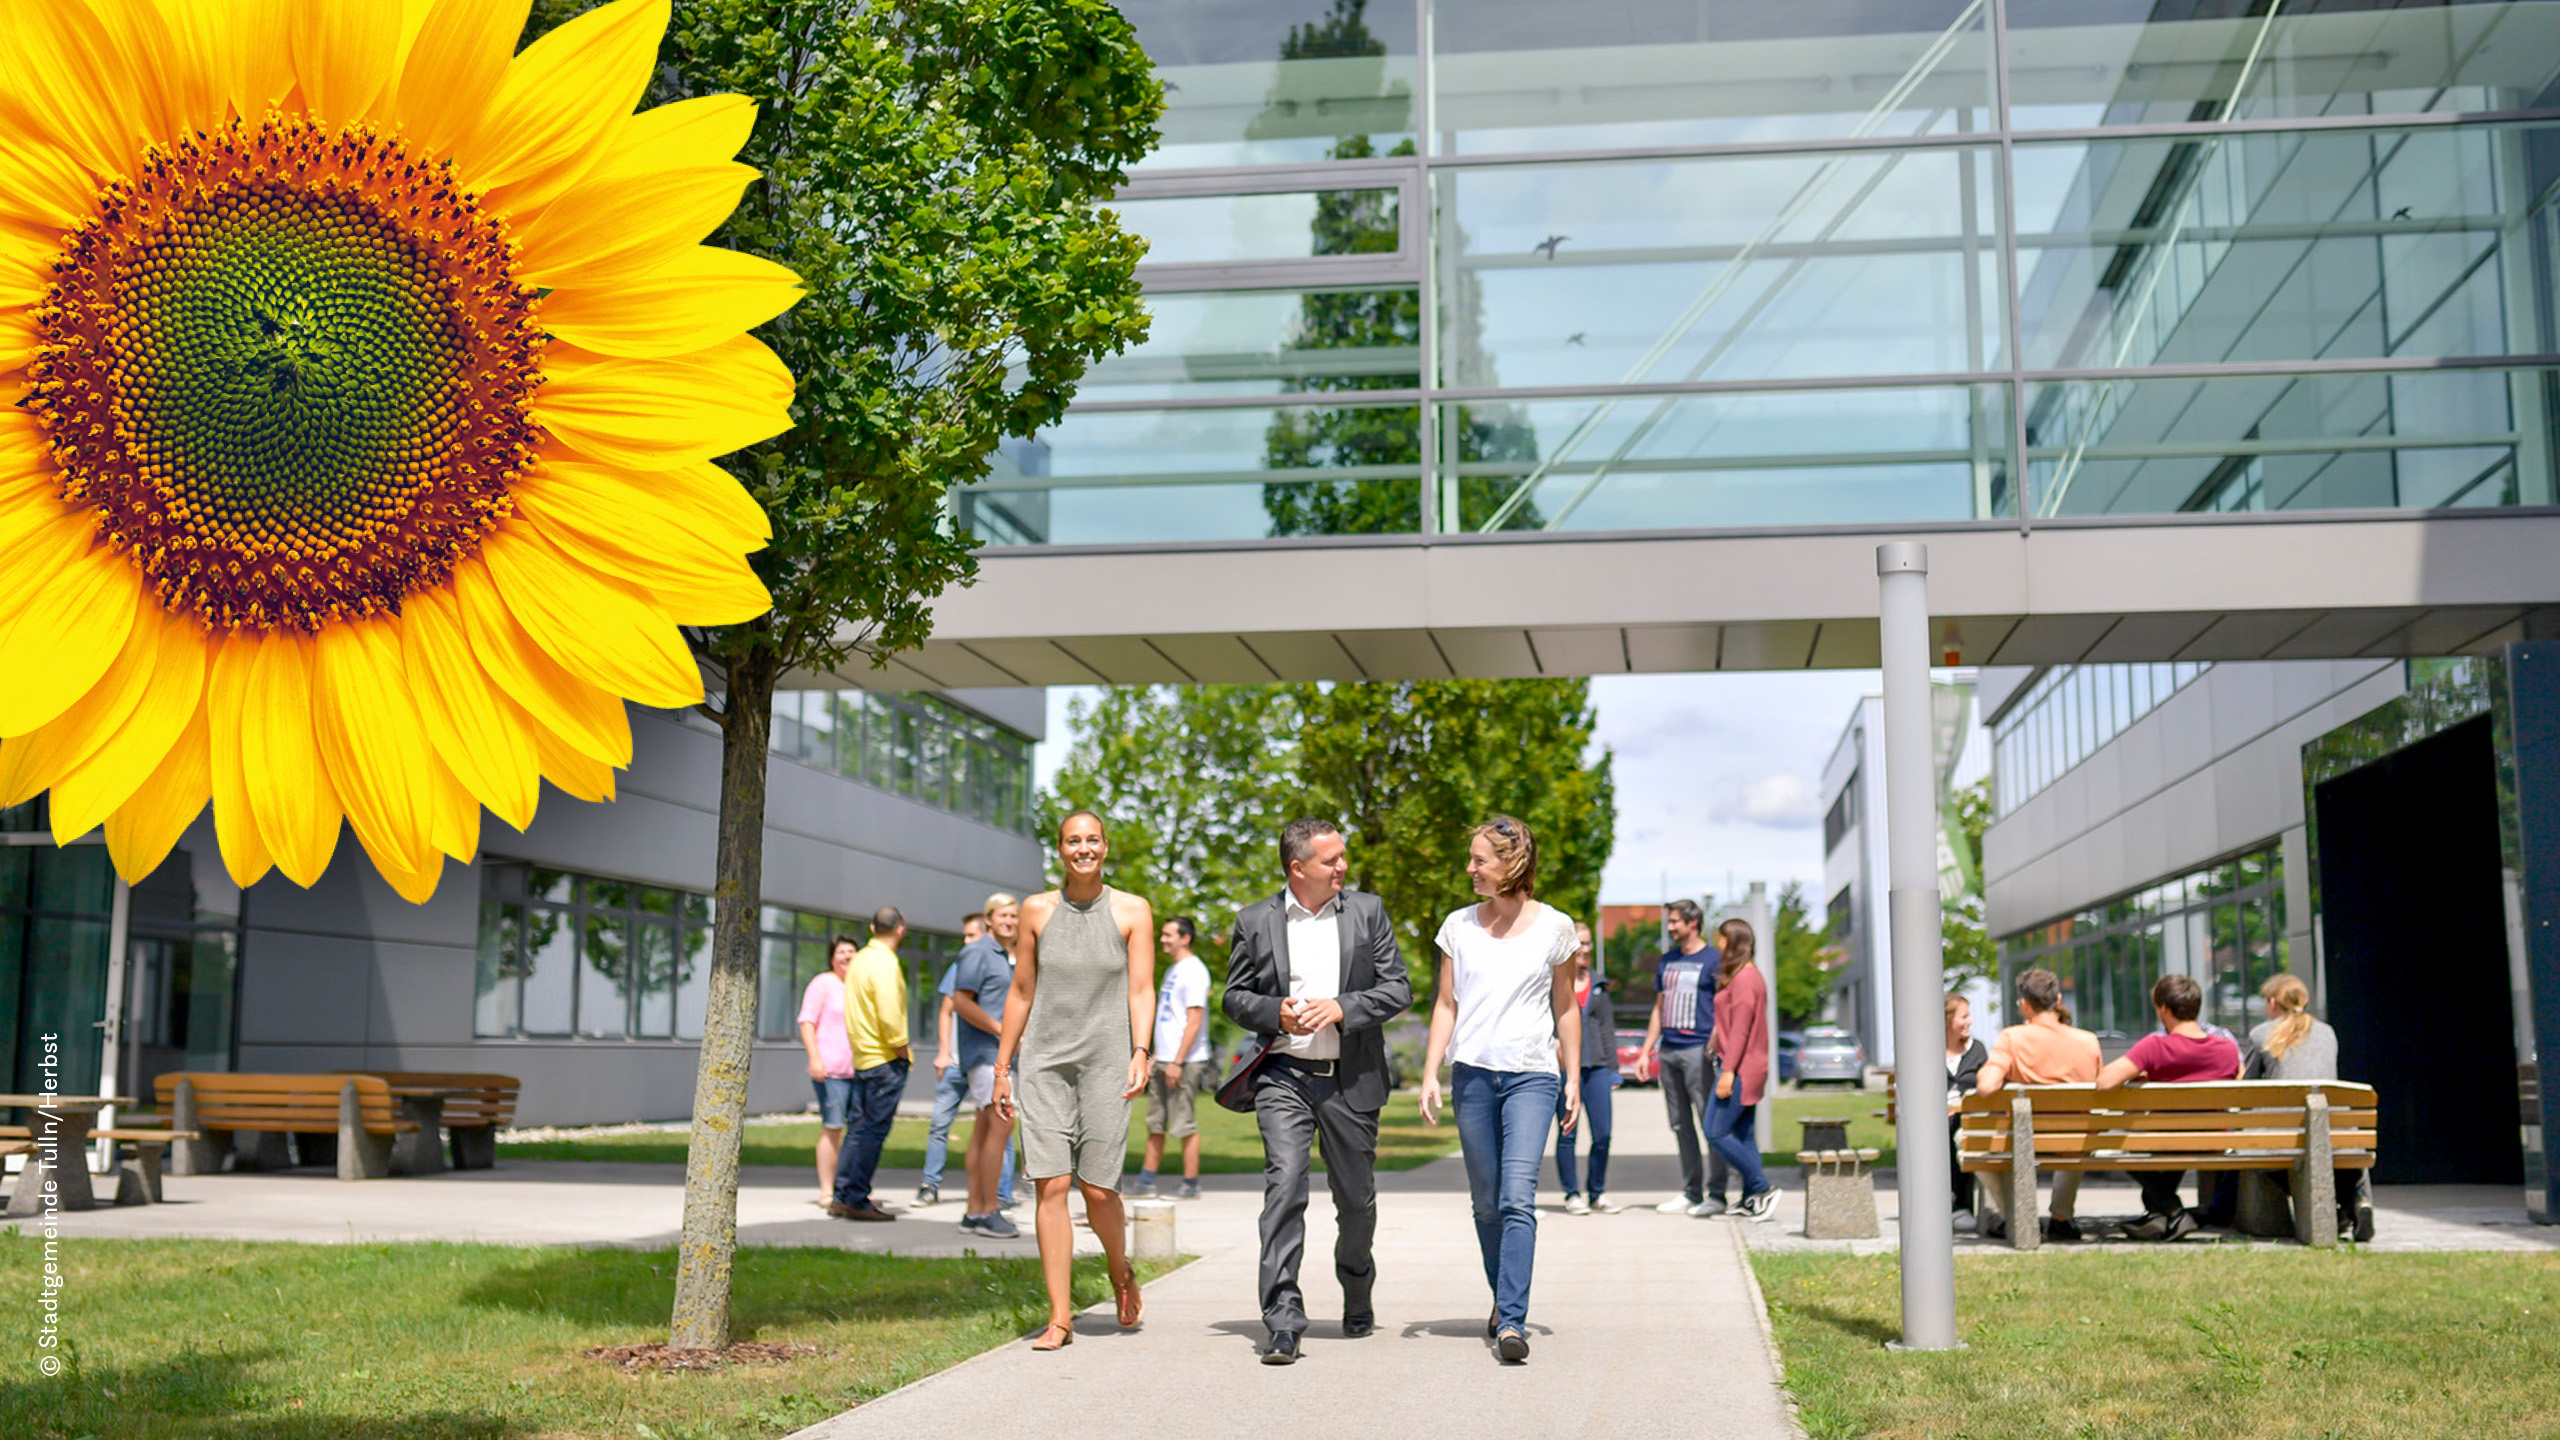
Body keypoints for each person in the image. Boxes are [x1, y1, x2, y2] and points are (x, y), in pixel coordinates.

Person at [1223, 817, 1412, 1367]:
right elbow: (1235, 998)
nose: (1343, 867)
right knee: (1285, 1188)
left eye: (1344, 857)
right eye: (1332, 860)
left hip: (1349, 1080)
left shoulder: (1367, 911)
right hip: (1282, 1076)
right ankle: (1282, 1320)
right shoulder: (1253, 920)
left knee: (1356, 1203)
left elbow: (1397, 986)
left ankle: (1357, 1289)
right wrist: (1273, 1010)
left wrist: (1342, 1008)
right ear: (1297, 867)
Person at [1419, 816, 1581, 1364]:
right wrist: (1429, 1072)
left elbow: (1566, 1005)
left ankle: (1512, 1319)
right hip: (1472, 1075)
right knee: (1486, 1204)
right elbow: (1446, 1004)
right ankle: (1501, 1298)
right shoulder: (1457, 927)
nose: (1469, 869)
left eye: (1479, 860)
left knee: (1517, 1197)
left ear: (1511, 864)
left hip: (1533, 1075)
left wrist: (1573, 1075)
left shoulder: (1556, 928)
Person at [991, 811, 1154, 1351]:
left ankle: (1119, 1268)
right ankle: (1060, 1316)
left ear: (1106, 847)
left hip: (1108, 1061)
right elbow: (1020, 992)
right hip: (1044, 1065)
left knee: (1099, 1189)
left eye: (1092, 840)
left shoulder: (1132, 910)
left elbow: (1140, 989)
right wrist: (1001, 1068)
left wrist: (1140, 1050)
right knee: (1052, 1184)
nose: (1083, 848)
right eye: (1072, 841)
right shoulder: (1036, 910)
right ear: (1059, 850)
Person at [2099, 973, 2242, 1242]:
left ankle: (2172, 1211)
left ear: (2163, 1008)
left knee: (2119, 1141)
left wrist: (2140, 1074)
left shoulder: (2154, 1046)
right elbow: (2241, 1081)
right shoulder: (2227, 1049)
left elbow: (2105, 1081)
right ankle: (2161, 1216)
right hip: (2215, 1139)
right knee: (2177, 1138)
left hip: (2166, 1139)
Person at [1973, 967, 2102, 1241]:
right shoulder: (2088, 1041)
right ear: (2058, 1001)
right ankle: (2061, 1217)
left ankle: (2015, 1215)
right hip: (2075, 1138)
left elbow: (1986, 1086)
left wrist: (1991, 1069)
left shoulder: (2012, 1038)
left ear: (2024, 1004)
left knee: (1969, 1139)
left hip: (2026, 1137)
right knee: (2078, 1132)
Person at [2245, 971, 2371, 1242]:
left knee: (2285, 1148)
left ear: (2272, 1002)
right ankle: (2358, 1202)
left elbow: (2247, 1092)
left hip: (2280, 1144)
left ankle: (2345, 1209)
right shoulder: (2327, 1033)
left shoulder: (2260, 1035)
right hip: (2334, 1138)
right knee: (2348, 1147)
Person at [1639, 899, 1728, 1215]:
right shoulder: (1667, 961)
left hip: (1698, 1051)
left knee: (1709, 1122)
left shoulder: (1714, 960)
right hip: (1669, 1050)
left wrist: (1715, 1042)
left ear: (1693, 922)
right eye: (1670, 921)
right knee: (1680, 1124)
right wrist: (1647, 1048)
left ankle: (1717, 1194)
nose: (1671, 927)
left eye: (1676, 921)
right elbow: (1659, 1007)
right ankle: (1692, 1192)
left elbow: (1723, 1006)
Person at [827, 911, 911, 1222]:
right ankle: (857, 1200)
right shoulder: (886, 963)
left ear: (873, 928)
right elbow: (889, 1014)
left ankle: (841, 1195)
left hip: (862, 1056)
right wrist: (901, 1047)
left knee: (857, 1130)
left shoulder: (860, 959)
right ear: (900, 929)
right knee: (872, 1133)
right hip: (885, 1058)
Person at [951, 894, 1023, 1238]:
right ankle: (989, 1210)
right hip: (985, 1055)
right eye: (1003, 915)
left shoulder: (1012, 956)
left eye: (1014, 915)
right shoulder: (977, 951)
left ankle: (974, 1211)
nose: (1010, 920)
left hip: (1003, 1055)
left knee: (985, 1129)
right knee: (1001, 1124)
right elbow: (960, 1001)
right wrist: (1001, 1030)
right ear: (989, 919)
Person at [1133, 915, 1212, 1200]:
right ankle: (1145, 1183)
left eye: (1169, 935)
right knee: (1156, 1122)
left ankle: (1190, 1185)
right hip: (1165, 1058)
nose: (1163, 939)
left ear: (1185, 938)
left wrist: (1177, 1062)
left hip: (1185, 1061)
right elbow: (1168, 1019)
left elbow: (1193, 1020)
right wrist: (1156, 1056)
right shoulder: (1174, 970)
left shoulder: (1194, 971)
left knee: (1183, 1123)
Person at [1704, 918, 1776, 1220]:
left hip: (1742, 1068)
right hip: (1745, 1066)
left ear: (1732, 942)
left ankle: (1762, 1186)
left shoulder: (1746, 979)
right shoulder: (1744, 976)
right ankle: (1750, 1199)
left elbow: (1741, 1031)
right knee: (1744, 1134)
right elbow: (1730, 1023)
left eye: (1721, 939)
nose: (1717, 944)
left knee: (1715, 1130)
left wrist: (1729, 1071)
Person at [917, 912, 987, 1208]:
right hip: (957, 1062)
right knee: (939, 1124)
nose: (965, 942)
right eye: (964, 936)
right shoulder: (961, 965)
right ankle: (929, 1186)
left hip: (986, 1061)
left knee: (998, 1130)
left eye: (971, 936)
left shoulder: (1002, 965)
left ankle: (1000, 1195)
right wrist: (944, 1051)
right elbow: (947, 1010)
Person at [1553, 921, 1620, 1215]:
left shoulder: (1599, 986)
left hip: (1597, 1069)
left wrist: (1614, 1069)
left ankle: (1597, 1192)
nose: (1584, 949)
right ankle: (1572, 1194)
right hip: (1564, 1069)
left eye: (1588, 943)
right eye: (1578, 943)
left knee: (1603, 1134)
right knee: (1568, 1133)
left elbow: (1607, 1028)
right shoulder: (1554, 982)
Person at [795, 936, 860, 1203]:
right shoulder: (823, 984)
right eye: (842, 951)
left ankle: (850, 1188)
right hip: (831, 1071)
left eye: (852, 951)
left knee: (858, 1132)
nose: (847, 956)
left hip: (859, 1070)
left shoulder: (859, 986)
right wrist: (815, 1059)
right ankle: (827, 1190)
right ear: (833, 957)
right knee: (833, 1126)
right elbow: (807, 1022)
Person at [1944, 993, 1987, 1232]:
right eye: (1964, 1016)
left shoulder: (1977, 1050)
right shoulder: (1928, 1050)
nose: (1969, 1022)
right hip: (1933, 1120)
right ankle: (1952, 1205)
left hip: (1968, 1118)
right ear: (1947, 1020)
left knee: (1958, 1127)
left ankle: (1960, 1205)